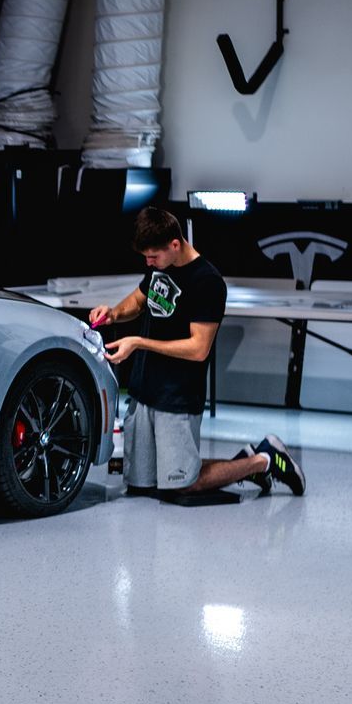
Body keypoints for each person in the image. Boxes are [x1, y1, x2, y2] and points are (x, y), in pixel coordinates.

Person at [89, 207, 305, 498]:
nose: (149, 263)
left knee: (182, 483)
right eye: (146, 258)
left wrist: (139, 342)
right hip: (143, 392)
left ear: (175, 244)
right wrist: (114, 313)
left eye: (153, 256)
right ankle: (248, 461)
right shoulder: (160, 266)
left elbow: (198, 348)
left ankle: (264, 460)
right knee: (142, 485)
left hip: (176, 396)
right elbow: (141, 299)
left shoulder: (207, 282)